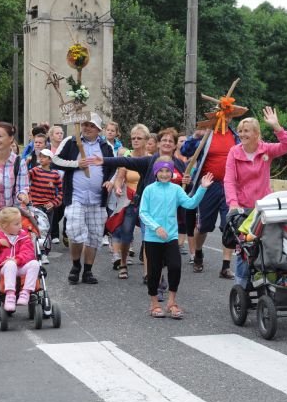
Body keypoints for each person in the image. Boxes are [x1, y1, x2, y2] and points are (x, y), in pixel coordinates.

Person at [91, 127, 189, 289]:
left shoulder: (179, 163)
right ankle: (147, 273)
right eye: (164, 140)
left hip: (170, 212)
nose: (167, 143)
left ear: (175, 145)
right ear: (158, 144)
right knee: (143, 238)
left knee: (163, 245)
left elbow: (185, 188)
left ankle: (153, 273)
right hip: (148, 209)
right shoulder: (150, 161)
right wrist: (104, 160)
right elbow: (126, 161)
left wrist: (188, 180)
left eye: (170, 141)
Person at [224, 108, 287, 286]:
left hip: (264, 206)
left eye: (246, 130)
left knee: (269, 244)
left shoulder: (266, 150)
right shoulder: (234, 152)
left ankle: (267, 280)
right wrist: (233, 204)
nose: (242, 134)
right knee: (244, 247)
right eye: (240, 130)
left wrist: (277, 127)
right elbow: (229, 180)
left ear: (256, 134)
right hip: (243, 207)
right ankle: (240, 285)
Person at [140, 156, 213, 319]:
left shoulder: (176, 189)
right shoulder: (149, 190)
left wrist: (202, 188)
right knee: (154, 271)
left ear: (172, 172)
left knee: (175, 266)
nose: (164, 174)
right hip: (153, 238)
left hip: (171, 237)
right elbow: (143, 213)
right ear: (156, 172)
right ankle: (154, 304)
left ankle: (171, 302)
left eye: (168, 171)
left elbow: (191, 204)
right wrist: (156, 227)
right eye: (161, 171)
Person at [52, 113, 116, 285]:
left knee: (95, 236)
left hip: (98, 199)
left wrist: (111, 180)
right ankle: (75, 266)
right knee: (75, 231)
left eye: (91, 125)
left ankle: (88, 270)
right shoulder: (72, 142)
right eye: (85, 124)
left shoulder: (106, 146)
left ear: (98, 130)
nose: (87, 128)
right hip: (75, 197)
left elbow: (114, 165)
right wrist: (75, 164)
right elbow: (54, 160)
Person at [181, 117, 240, 278]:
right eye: (223, 115)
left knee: (229, 224)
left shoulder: (235, 136)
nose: (226, 119)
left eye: (229, 115)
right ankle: (198, 253)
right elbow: (185, 152)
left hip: (229, 185)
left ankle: (226, 265)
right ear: (217, 117)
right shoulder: (207, 134)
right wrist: (195, 137)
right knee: (204, 225)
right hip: (208, 185)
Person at [107, 124, 150, 280]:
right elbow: (119, 178)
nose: (136, 141)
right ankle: (123, 263)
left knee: (148, 237)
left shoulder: (151, 158)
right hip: (129, 201)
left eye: (139, 138)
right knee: (126, 233)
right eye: (133, 138)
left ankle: (147, 272)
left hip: (147, 201)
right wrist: (118, 188)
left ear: (146, 140)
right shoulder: (127, 158)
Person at [0, 207, 39, 312]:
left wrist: (17, 260)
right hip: (5, 268)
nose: (20, 226)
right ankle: (10, 295)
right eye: (16, 224)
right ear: (5, 226)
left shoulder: (23, 237)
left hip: (20, 265)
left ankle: (25, 292)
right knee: (10, 264)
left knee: (35, 263)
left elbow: (29, 253)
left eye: (20, 223)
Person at [29, 148, 63, 264]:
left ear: (50, 160)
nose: (41, 158)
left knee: (46, 231)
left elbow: (62, 191)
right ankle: (35, 253)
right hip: (35, 206)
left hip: (48, 207)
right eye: (40, 156)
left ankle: (44, 254)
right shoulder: (34, 171)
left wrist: (53, 203)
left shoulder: (55, 174)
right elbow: (23, 178)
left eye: (44, 157)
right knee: (35, 230)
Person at [47, 126, 67, 245]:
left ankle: (64, 232)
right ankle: (54, 234)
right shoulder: (48, 149)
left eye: (61, 133)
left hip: (64, 183)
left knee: (63, 208)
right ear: (51, 135)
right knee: (54, 208)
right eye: (57, 133)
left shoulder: (65, 148)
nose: (60, 135)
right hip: (50, 184)